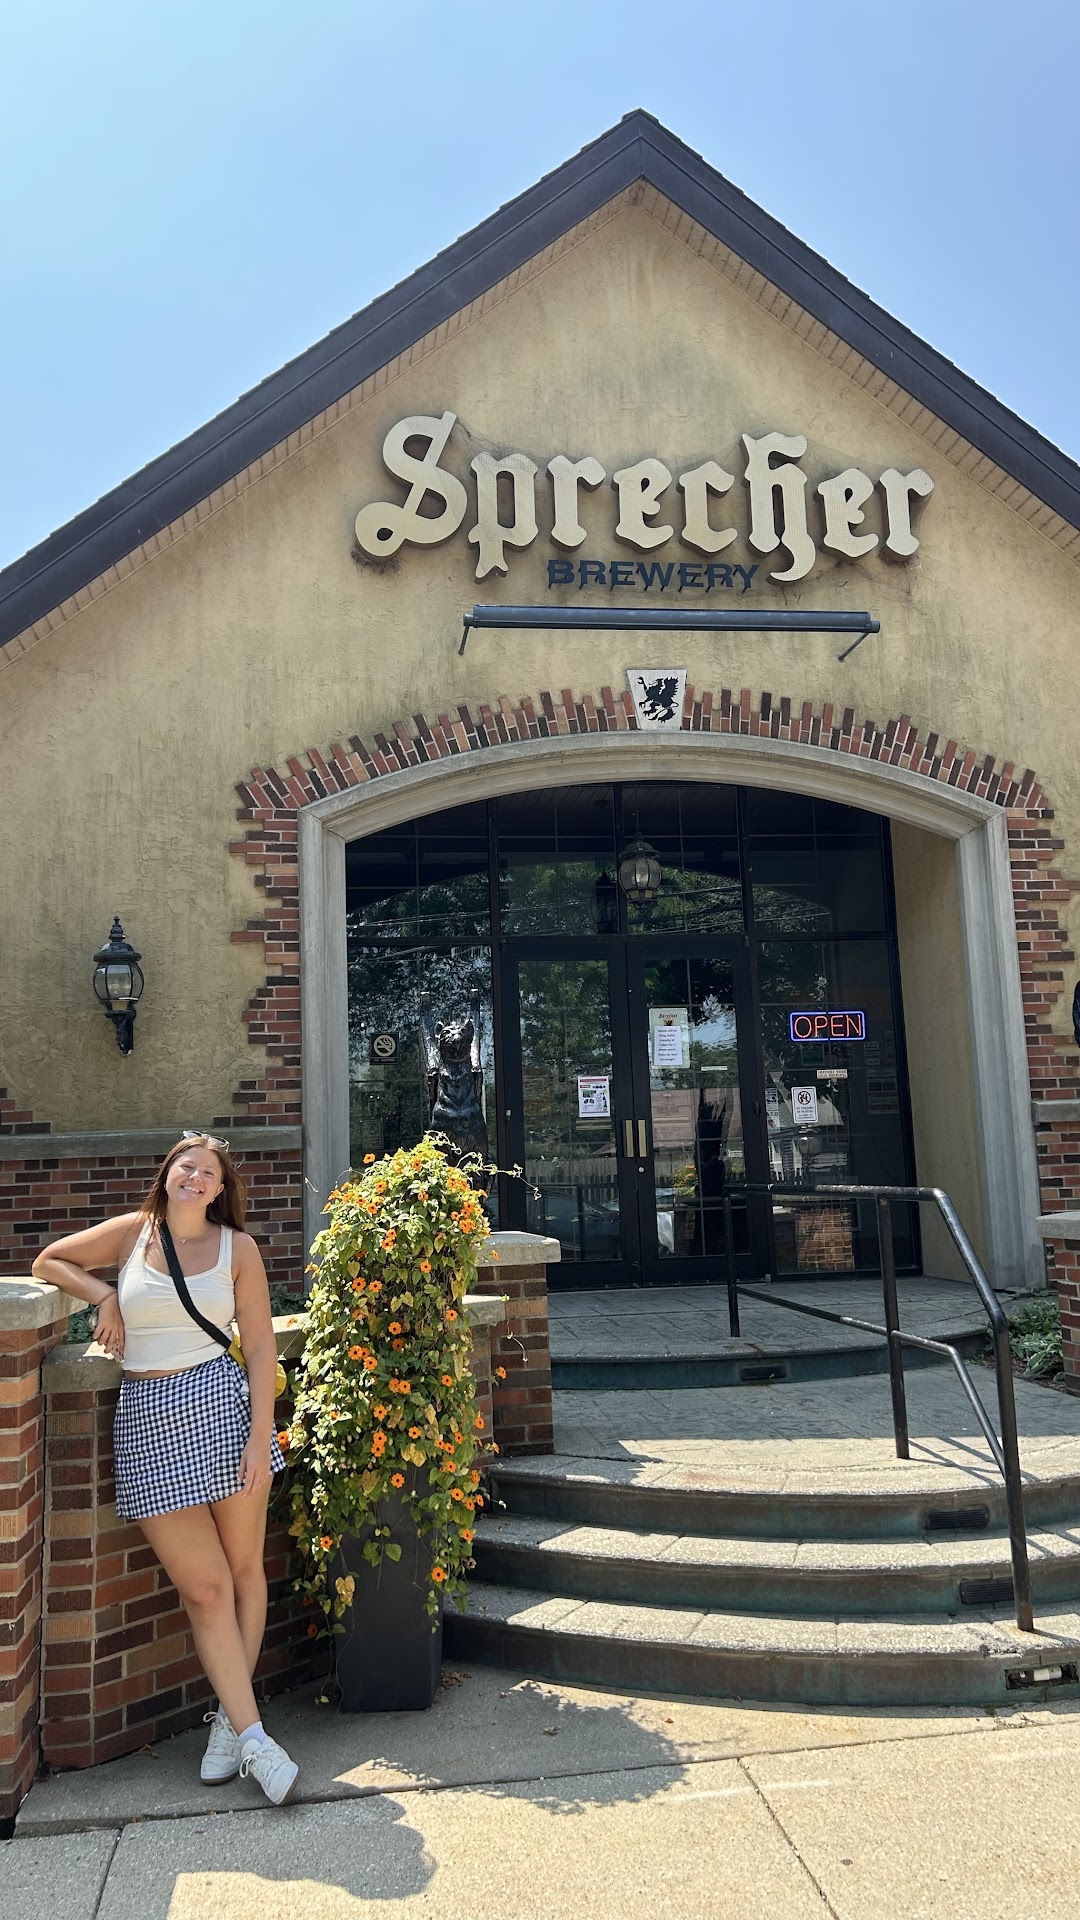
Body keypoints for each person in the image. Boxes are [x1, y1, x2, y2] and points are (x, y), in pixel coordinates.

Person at [32, 1131, 299, 1805]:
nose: (196, 1177)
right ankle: (255, 1738)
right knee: (205, 1589)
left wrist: (260, 1437)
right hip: (148, 1420)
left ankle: (234, 1729)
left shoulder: (238, 1249)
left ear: (220, 1188)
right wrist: (103, 1297)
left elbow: (260, 1346)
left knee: (244, 1573)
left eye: (209, 1172)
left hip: (224, 1411)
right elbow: (48, 1261)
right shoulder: (133, 1233)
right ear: (169, 1172)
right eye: (187, 1165)